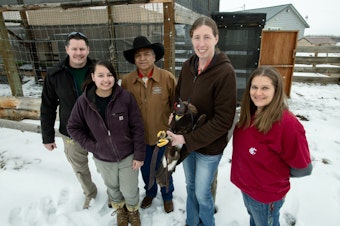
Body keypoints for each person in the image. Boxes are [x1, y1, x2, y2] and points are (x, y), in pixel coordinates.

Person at [167, 17, 237, 226]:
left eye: (207, 37)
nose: (201, 43)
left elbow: (224, 121)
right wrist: (175, 113)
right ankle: (191, 221)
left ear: (216, 38)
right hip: (188, 141)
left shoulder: (225, 72)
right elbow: (178, 97)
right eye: (197, 37)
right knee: (190, 187)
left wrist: (186, 138)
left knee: (202, 193)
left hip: (209, 147)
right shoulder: (189, 65)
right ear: (191, 40)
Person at [230, 66, 313, 226]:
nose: (258, 93)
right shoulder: (250, 114)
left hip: (265, 196)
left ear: (276, 90)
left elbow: (303, 168)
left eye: (265, 88)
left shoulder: (288, 126)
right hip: (246, 188)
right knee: (254, 221)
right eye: (254, 87)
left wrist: (272, 176)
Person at [67, 60, 145, 226]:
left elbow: (137, 127)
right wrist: (92, 146)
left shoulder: (125, 97)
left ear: (114, 77)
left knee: (130, 189)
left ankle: (132, 209)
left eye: (109, 75)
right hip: (103, 158)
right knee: (113, 188)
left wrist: (139, 154)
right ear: (93, 77)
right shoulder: (84, 101)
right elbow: (73, 127)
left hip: (127, 155)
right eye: (100, 75)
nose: (105, 79)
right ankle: (120, 210)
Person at [40, 31, 97, 209]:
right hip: (71, 131)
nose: (78, 52)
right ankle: (90, 193)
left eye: (82, 48)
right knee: (79, 167)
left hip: (99, 129)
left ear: (88, 50)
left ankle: (114, 192)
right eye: (74, 48)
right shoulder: (55, 74)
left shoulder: (99, 69)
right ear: (67, 49)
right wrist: (47, 136)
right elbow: (48, 106)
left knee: (107, 165)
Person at [121, 36, 177, 213]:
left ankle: (167, 196)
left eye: (147, 54)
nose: (142, 58)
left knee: (164, 169)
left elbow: (176, 107)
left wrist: (173, 130)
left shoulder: (167, 78)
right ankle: (150, 193)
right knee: (146, 170)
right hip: (140, 138)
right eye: (138, 55)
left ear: (154, 57)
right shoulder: (127, 81)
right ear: (134, 59)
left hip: (163, 136)